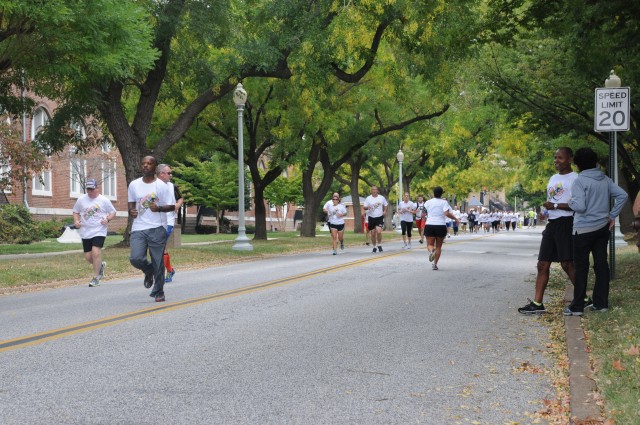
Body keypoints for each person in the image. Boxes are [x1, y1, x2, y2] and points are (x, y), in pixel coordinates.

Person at [564, 147, 628, 316]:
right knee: (601, 265)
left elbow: (580, 206)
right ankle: (601, 303)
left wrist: (570, 201)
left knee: (581, 266)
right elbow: (622, 195)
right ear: (595, 162)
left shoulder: (579, 181)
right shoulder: (605, 179)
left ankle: (577, 306)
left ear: (577, 164)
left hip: (583, 230)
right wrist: (612, 215)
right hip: (601, 228)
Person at [519, 147, 578, 315]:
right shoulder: (553, 178)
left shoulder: (576, 179)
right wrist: (547, 209)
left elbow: (579, 204)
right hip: (552, 223)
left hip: (566, 223)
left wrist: (556, 206)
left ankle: (583, 298)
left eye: (560, 158)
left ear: (570, 159)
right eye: (555, 157)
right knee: (542, 264)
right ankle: (538, 303)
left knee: (567, 264)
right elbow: (552, 199)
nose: (556, 161)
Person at [128, 156, 175, 302]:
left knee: (158, 261)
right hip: (139, 227)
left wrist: (159, 208)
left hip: (157, 227)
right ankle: (148, 271)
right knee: (135, 258)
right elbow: (131, 204)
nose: (146, 166)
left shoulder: (162, 186)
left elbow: (172, 206)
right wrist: (131, 211)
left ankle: (159, 291)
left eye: (149, 163)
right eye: (143, 163)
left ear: (155, 167)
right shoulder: (134, 184)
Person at [72, 178, 117, 287]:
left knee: (96, 253)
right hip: (85, 231)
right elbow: (75, 211)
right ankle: (100, 266)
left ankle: (96, 277)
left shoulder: (104, 200)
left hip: (99, 230)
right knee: (88, 257)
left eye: (92, 189)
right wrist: (76, 221)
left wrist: (107, 219)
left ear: (97, 188)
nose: (90, 191)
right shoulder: (81, 199)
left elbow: (113, 212)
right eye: (88, 189)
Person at [157, 164, 184, 283]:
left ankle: (161, 273)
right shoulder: (153, 186)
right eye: (169, 173)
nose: (171, 175)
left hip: (168, 221)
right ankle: (169, 270)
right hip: (154, 222)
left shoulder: (172, 186)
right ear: (161, 174)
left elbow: (180, 198)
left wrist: (177, 205)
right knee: (161, 247)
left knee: (159, 247)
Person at [424, 186, 460, 270]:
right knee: (439, 247)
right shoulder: (444, 202)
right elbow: (447, 214)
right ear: (441, 193)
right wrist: (455, 218)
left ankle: (432, 251)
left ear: (433, 193)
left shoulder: (428, 202)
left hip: (429, 224)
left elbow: (423, 214)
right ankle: (435, 264)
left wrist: (426, 218)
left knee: (429, 245)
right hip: (440, 225)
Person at [363, 186, 388, 253]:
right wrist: (368, 207)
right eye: (373, 189)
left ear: (377, 190)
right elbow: (364, 207)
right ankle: (374, 246)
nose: (374, 191)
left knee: (379, 231)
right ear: (371, 191)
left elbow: (386, 204)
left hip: (379, 217)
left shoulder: (381, 198)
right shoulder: (368, 198)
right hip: (371, 217)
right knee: (373, 233)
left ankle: (379, 244)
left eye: (375, 189)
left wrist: (385, 211)